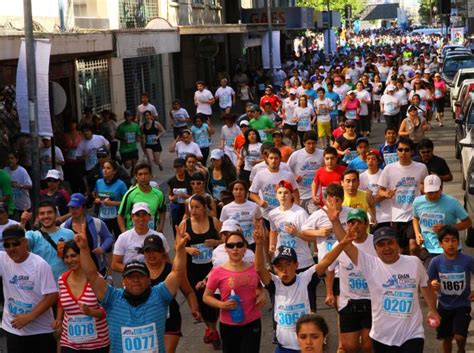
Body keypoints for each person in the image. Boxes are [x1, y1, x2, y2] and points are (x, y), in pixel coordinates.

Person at [325, 204, 441, 353]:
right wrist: (335, 222)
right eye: (381, 244)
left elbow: (425, 286)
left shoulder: (414, 263)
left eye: (390, 243)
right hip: (382, 338)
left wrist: (432, 309)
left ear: (397, 244)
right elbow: (346, 246)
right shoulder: (369, 264)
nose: (387, 248)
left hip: (412, 335)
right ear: (375, 249)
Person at [75, 216, 188, 353]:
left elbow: (177, 273)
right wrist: (84, 249)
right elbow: (92, 275)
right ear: (123, 281)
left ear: (148, 279)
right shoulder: (112, 299)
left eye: (140, 276)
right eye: (131, 276)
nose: (136, 280)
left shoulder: (159, 295)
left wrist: (180, 250)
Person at [255, 221, 354, 353]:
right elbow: (259, 268)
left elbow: (326, 261)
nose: (284, 270)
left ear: (296, 265)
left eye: (288, 264)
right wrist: (259, 244)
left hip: (308, 348)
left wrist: (342, 243)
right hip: (283, 347)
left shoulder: (306, 279)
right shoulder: (275, 283)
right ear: (274, 268)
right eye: (279, 266)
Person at [0, 225, 57, 353]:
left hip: (40, 332)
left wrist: (29, 317)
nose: (11, 249)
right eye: (7, 245)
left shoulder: (40, 264)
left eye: (15, 243)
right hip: (13, 329)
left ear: (25, 242)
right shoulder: (3, 259)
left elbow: (52, 295)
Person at [203, 231, 262, 353]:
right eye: (231, 245)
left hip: (252, 322)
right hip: (228, 324)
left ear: (245, 248)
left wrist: (262, 293)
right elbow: (206, 297)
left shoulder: (254, 268)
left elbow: (260, 286)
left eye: (239, 245)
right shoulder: (217, 272)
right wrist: (222, 305)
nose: (235, 249)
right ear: (226, 249)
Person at [327, 209, 375, 353]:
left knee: (368, 346)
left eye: (359, 223)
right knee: (350, 347)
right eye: (351, 223)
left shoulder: (376, 243)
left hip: (372, 300)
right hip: (348, 302)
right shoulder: (340, 245)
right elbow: (329, 268)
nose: (355, 226)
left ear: (366, 224)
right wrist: (329, 292)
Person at [141, 234, 200, 353]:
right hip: (145, 321)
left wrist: (194, 309)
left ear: (162, 252)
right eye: (148, 251)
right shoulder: (137, 271)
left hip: (170, 320)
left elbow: (188, 292)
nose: (151, 254)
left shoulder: (172, 271)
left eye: (155, 250)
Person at [52, 240, 110, 352]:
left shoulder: (96, 279)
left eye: (73, 256)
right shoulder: (62, 280)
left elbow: (108, 310)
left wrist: (91, 312)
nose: (69, 260)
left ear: (82, 255)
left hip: (97, 344)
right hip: (69, 343)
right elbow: (61, 302)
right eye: (66, 257)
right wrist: (58, 320)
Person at [180, 195, 222, 349]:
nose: (194, 210)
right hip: (194, 269)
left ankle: (212, 328)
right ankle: (211, 329)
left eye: (197, 207)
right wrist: (188, 249)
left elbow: (227, 241)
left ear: (205, 207)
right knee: (201, 301)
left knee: (214, 301)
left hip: (213, 268)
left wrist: (216, 242)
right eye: (192, 207)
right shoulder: (185, 224)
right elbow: (177, 246)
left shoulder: (214, 222)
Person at [378, 137, 428, 255]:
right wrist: (386, 194)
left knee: (413, 247)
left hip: (414, 215)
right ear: (396, 151)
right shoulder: (389, 168)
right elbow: (380, 190)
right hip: (396, 216)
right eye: (400, 150)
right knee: (401, 251)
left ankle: (415, 269)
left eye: (406, 150)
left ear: (412, 152)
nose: (403, 153)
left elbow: (425, 186)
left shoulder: (421, 168)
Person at [428, 226, 474, 353]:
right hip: (443, 305)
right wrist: (432, 283)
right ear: (440, 244)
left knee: (459, 336)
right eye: (446, 240)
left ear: (458, 242)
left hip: (462, 304)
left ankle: (461, 349)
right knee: (446, 338)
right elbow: (427, 283)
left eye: (454, 240)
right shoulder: (435, 262)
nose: (451, 244)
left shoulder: (468, 260)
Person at [413, 175, 471, 266]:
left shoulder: (452, 202)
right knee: (431, 278)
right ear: (424, 189)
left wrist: (447, 227)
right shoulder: (417, 202)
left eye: (435, 192)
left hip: (450, 248)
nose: (432, 195)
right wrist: (417, 234)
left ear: (441, 188)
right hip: (428, 248)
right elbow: (415, 218)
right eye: (429, 192)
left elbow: (468, 223)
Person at [62, 193, 113, 276]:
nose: (74, 210)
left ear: (83, 207)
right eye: (72, 207)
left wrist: (102, 248)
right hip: (75, 271)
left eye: (77, 207)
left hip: (97, 268)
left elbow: (108, 237)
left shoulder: (97, 223)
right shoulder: (64, 226)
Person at [21, 200, 75, 280]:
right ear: (38, 217)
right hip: (42, 285)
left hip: (66, 284)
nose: (46, 216)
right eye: (42, 213)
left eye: (49, 212)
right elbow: (18, 243)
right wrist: (23, 223)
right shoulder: (32, 235)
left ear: (56, 214)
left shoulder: (69, 234)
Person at [113, 203, 169, 273]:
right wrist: (136, 272)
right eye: (137, 215)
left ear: (149, 217)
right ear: (132, 217)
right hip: (131, 279)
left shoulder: (160, 237)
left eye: (144, 215)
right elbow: (115, 264)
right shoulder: (123, 238)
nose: (141, 219)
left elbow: (166, 259)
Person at [118, 162, 166, 232]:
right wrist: (124, 233)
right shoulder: (130, 194)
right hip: (134, 235)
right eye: (140, 174)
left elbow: (162, 212)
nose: (143, 177)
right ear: (136, 177)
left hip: (152, 234)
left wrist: (160, 229)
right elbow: (120, 215)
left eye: (146, 174)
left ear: (150, 175)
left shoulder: (159, 194)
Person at [287, 131, 324, 214]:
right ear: (304, 143)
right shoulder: (296, 155)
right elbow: (287, 168)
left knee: (313, 216)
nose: (311, 146)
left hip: (315, 193)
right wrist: (294, 177)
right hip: (300, 193)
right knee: (301, 216)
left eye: (313, 143)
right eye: (308, 143)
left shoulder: (322, 154)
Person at [220, 180, 262, 250]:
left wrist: (257, 230)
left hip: (251, 242)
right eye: (236, 189)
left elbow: (259, 219)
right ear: (232, 191)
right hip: (234, 244)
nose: (238, 192)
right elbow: (221, 226)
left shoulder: (254, 206)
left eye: (241, 189)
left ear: (246, 191)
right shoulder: (226, 208)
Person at [94, 159, 128, 240]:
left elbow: (126, 202)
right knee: (105, 243)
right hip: (103, 217)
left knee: (119, 241)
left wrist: (113, 203)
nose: (105, 170)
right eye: (103, 168)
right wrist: (97, 200)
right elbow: (96, 195)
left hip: (117, 218)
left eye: (108, 168)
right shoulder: (99, 182)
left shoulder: (121, 184)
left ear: (114, 171)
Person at [359, 150, 392, 229]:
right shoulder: (361, 176)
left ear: (378, 161)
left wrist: (381, 197)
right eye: (368, 159)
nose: (370, 161)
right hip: (369, 217)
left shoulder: (385, 174)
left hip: (385, 216)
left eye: (373, 159)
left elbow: (391, 192)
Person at [75, 123, 109, 193]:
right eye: (84, 131)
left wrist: (105, 153)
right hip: (90, 168)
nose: (86, 133)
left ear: (91, 131)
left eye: (87, 130)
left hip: (102, 166)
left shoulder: (99, 138)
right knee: (93, 186)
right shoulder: (81, 144)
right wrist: (83, 157)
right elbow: (77, 157)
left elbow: (108, 144)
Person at [4, 150, 32, 220]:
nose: (10, 160)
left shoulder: (22, 171)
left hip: (22, 203)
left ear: (17, 160)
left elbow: (30, 185)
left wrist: (20, 186)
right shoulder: (5, 170)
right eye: (8, 158)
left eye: (12, 158)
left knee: (25, 222)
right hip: (10, 203)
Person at [167, 158, 191, 237]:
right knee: (176, 227)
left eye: (180, 166)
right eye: (176, 167)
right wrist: (172, 198)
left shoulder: (190, 180)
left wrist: (186, 196)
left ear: (185, 167)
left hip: (187, 208)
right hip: (176, 208)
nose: (178, 169)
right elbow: (169, 195)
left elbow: (195, 195)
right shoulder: (171, 181)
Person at [116, 110, 141, 176]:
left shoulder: (135, 126)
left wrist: (138, 138)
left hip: (133, 148)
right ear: (124, 117)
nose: (128, 118)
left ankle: (132, 174)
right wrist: (123, 139)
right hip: (124, 149)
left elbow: (138, 134)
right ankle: (121, 160)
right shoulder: (121, 127)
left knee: (134, 164)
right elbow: (116, 136)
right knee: (127, 166)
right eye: (126, 116)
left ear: (132, 117)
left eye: (129, 116)